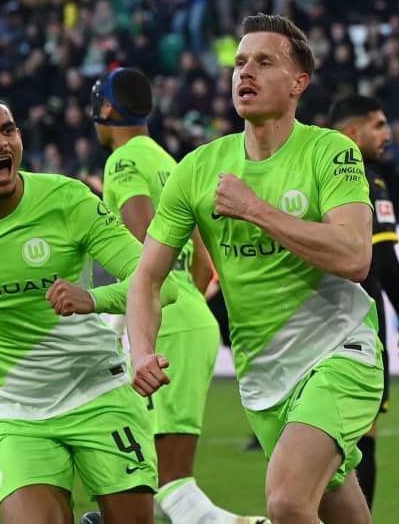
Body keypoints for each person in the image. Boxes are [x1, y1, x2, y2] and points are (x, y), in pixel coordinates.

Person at [126, 14, 383, 524]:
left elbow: (355, 256)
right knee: (341, 513)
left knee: (287, 500)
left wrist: (255, 209)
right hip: (264, 375)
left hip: (340, 349)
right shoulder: (197, 169)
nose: (246, 72)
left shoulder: (330, 152)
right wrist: (141, 351)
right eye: (240, 62)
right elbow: (146, 279)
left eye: (265, 62)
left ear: (297, 84)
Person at [0, 96, 178, 524]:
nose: (0, 142)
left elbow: (157, 281)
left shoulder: (68, 199)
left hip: (99, 394)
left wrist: (93, 299)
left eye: (8, 130)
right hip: (18, 412)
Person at [88, 67, 267, 524]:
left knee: (171, 488)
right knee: (142, 479)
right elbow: (204, 257)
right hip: (188, 315)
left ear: (106, 108)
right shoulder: (167, 160)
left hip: (166, 322)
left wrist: (109, 307)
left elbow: (144, 245)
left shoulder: (124, 161)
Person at [329, 95, 399, 510]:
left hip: (313, 316)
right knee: (362, 435)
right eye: (379, 126)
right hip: (359, 321)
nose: (387, 135)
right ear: (352, 132)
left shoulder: (314, 171)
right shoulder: (365, 179)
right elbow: (383, 258)